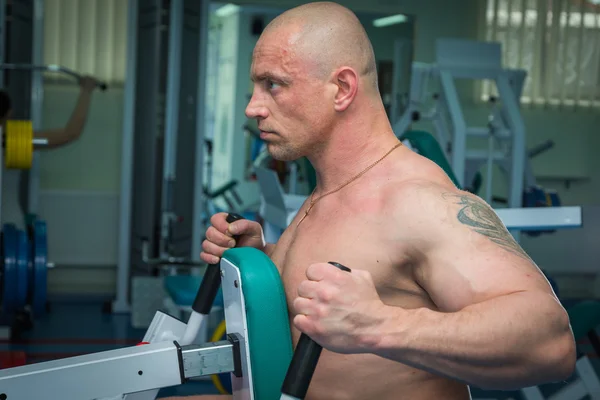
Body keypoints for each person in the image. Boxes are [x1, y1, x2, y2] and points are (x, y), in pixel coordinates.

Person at [165, 2, 576, 399]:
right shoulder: (331, 189)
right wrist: (262, 258)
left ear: (342, 88)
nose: (253, 107)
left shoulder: (419, 203)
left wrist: (381, 326)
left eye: (274, 84)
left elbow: (551, 342)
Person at [0, 75, 101, 228]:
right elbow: (71, 133)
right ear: (9, 113)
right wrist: (86, 91)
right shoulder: (14, 139)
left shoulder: (14, 139)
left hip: (8, 231)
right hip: (8, 227)